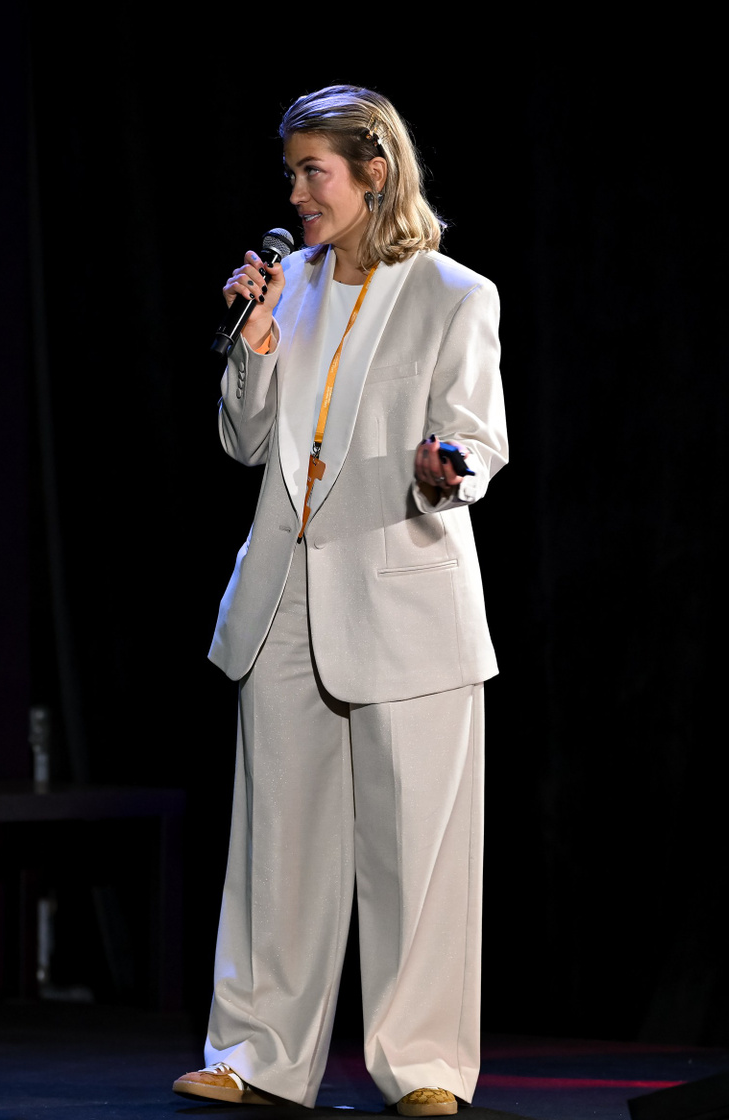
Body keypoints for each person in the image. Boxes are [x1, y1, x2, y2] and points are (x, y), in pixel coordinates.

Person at [171, 86, 507, 1116]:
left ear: (374, 172)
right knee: (277, 841)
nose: (296, 193)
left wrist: (443, 468)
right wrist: (256, 340)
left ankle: (426, 1066)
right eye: (291, 173)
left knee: (414, 850)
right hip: (285, 594)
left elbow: (476, 440)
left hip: (403, 596)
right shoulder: (292, 288)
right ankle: (257, 1054)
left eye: (313, 172)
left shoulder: (453, 294)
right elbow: (244, 443)